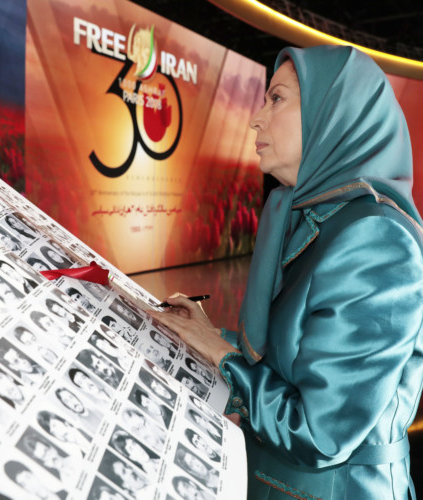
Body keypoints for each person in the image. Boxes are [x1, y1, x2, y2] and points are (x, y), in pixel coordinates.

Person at [149, 45, 423, 499]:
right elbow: (288, 357)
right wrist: (202, 334)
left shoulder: (376, 239)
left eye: (276, 99)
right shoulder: (307, 215)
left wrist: (220, 354)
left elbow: (320, 431)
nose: (255, 119)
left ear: (332, 113)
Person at [3, 460, 67, 500]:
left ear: (34, 474)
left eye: (28, 477)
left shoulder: (65, 492)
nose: (29, 484)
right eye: (23, 483)